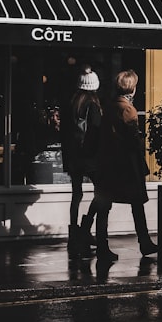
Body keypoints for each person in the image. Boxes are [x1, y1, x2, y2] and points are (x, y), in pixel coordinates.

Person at [92, 69, 158, 262]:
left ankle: (102, 246)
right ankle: (144, 242)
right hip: (125, 164)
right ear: (133, 88)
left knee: (104, 206)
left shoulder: (110, 106)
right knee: (137, 204)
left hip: (107, 163)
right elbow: (132, 140)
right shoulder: (128, 109)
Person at [62, 67, 103, 258]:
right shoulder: (92, 105)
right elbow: (96, 132)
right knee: (102, 192)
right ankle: (86, 228)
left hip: (73, 156)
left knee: (76, 195)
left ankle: (74, 234)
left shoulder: (71, 104)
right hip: (89, 156)